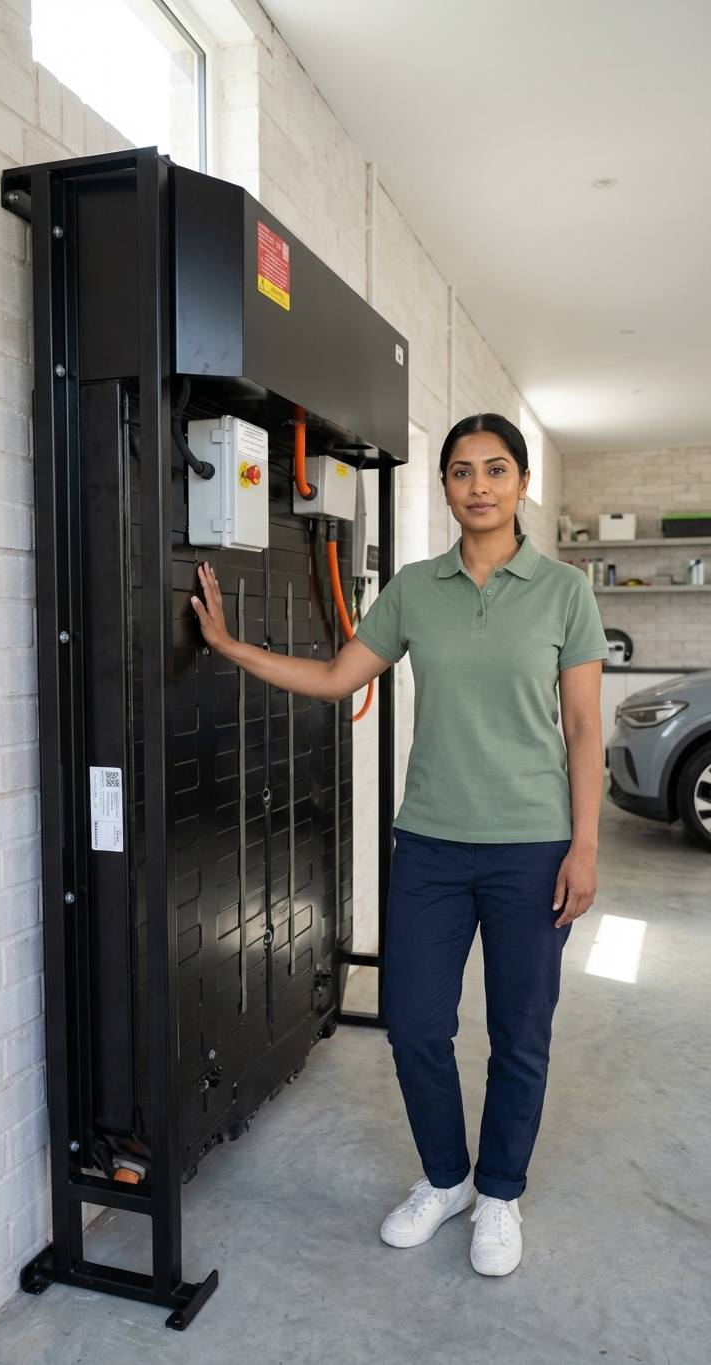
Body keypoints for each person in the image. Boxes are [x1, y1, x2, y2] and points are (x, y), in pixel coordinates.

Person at [191, 411, 608, 1277]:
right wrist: (232, 647)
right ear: (447, 486)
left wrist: (586, 846)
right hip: (429, 848)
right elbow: (339, 677)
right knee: (415, 1025)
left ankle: (499, 1191)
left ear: (522, 484)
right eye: (462, 471)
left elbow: (581, 729)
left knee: (520, 1034)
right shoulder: (416, 589)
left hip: (534, 847)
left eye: (497, 469)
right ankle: (447, 1178)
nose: (480, 485)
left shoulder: (565, 591)